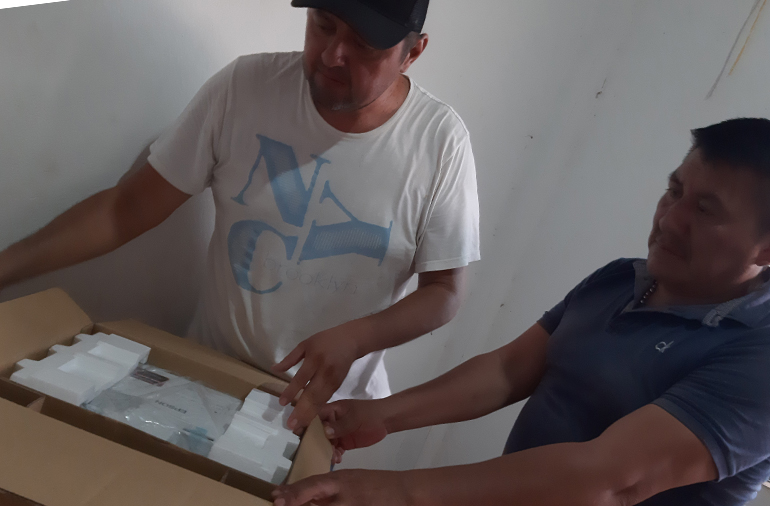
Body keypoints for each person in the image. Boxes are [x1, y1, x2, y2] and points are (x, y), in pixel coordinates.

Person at [0, 0, 480, 432]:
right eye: (322, 24)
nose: (334, 54)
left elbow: (444, 291)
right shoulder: (246, 88)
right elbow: (125, 210)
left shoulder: (439, 143)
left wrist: (359, 337)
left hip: (324, 414)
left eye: (364, 44)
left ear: (412, 53)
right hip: (205, 376)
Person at [272, 118, 770, 506]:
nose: (671, 218)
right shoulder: (621, 279)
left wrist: (400, 491)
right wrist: (382, 414)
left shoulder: (758, 354)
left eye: (706, 210)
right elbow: (508, 370)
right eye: (675, 191)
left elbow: (610, 481)